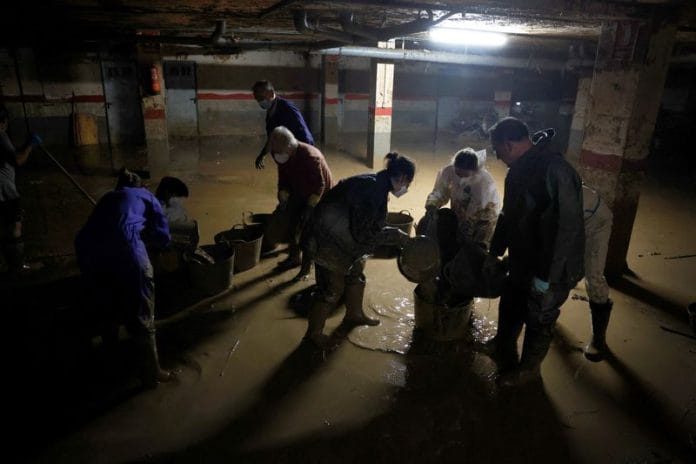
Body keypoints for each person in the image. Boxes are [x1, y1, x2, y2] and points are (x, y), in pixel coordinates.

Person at [486, 117, 584, 386]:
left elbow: (566, 229)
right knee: (511, 302)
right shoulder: (518, 169)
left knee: (539, 316)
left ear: (509, 145)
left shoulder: (556, 171)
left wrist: (547, 276)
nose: (498, 157)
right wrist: (495, 250)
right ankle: (502, 345)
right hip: (523, 256)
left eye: (498, 151)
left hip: (554, 264)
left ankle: (529, 369)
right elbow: (507, 214)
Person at [303, 152, 415, 348]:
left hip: (343, 232)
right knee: (330, 289)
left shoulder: (378, 184)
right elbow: (364, 234)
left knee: (356, 274)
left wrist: (393, 234)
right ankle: (313, 334)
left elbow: (370, 225)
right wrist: (395, 236)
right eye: (408, 183)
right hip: (327, 237)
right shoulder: (372, 191)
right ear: (402, 178)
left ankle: (354, 314)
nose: (407, 188)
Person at [75, 168, 173, 388]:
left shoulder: (106, 199)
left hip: (91, 256)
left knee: (107, 312)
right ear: (141, 185)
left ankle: (111, 363)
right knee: (142, 318)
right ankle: (151, 374)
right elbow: (163, 236)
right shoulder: (146, 196)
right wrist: (155, 244)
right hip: (128, 255)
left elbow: (83, 237)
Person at [267, 126, 334, 279]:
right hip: (300, 189)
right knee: (292, 222)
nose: (276, 155)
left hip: (320, 195)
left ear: (289, 147)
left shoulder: (310, 156)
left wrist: (309, 208)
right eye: (274, 152)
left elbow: (319, 186)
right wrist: (282, 194)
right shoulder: (282, 155)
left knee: (308, 229)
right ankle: (294, 258)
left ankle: (306, 267)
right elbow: (283, 178)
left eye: (278, 151)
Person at [425, 147, 501, 248]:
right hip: (461, 210)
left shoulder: (483, 182)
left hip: (483, 215)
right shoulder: (448, 171)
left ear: (474, 170)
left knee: (477, 244)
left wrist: (467, 224)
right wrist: (432, 204)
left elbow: (477, 207)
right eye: (458, 173)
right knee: (458, 238)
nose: (461, 177)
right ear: (454, 165)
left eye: (465, 175)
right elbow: (440, 191)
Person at [0, 106, 41, 274]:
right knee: (15, 228)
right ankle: (17, 267)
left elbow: (9, 155)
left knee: (4, 226)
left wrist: (24, 144)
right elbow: (17, 160)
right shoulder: (1, 136)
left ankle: (7, 264)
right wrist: (30, 145)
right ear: (3, 121)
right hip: (5, 191)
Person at [581, 183, 613, 361]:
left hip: (596, 220)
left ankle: (598, 338)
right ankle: (548, 320)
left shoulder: (559, 189)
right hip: (574, 215)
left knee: (593, 276)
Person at [252, 80, 314, 169]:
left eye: (261, 98)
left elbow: (303, 133)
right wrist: (262, 155)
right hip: (289, 154)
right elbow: (271, 138)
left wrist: (304, 154)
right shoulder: (271, 112)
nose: (260, 102)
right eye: (257, 99)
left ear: (271, 93)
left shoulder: (286, 109)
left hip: (301, 152)